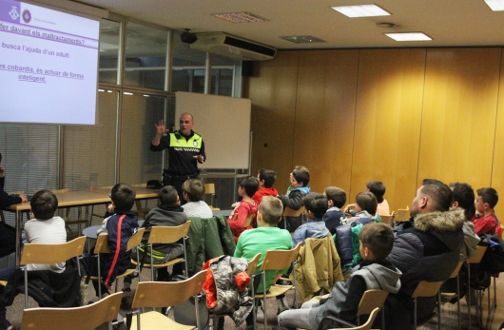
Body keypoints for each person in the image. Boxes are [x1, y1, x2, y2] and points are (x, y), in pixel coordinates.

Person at [277, 222, 401, 330]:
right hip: (344, 312)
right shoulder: (391, 273)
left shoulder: (361, 278)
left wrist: (325, 304)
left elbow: (346, 315)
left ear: (366, 251)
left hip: (330, 318)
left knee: (282, 318)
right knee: (305, 305)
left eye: (360, 244)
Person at [386, 181, 464, 329]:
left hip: (392, 311)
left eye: (416, 196)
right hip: (423, 306)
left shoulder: (414, 241)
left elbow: (379, 270)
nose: (413, 200)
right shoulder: (455, 235)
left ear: (423, 201)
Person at [0, 190, 66, 330]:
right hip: (58, 272)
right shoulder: (61, 221)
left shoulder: (29, 225)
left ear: (32, 210)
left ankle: (3, 323)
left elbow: (27, 247)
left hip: (31, 274)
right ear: (55, 208)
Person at [234, 196, 292, 330]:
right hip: (269, 283)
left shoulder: (246, 235)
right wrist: (276, 277)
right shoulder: (286, 235)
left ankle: (250, 323)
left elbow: (236, 262)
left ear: (258, 215)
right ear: (279, 218)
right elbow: (287, 262)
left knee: (248, 274)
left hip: (247, 286)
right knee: (258, 273)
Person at [82, 184, 139, 295]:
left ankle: (103, 295)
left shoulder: (114, 221)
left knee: (75, 264)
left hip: (111, 265)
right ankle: (104, 294)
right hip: (125, 261)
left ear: (113, 203)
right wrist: (110, 213)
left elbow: (117, 249)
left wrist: (108, 278)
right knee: (93, 257)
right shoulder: (132, 218)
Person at [137, 185, 187, 281]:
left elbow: (142, 230)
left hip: (147, 254)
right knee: (183, 244)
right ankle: (177, 274)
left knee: (159, 243)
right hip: (164, 255)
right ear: (178, 199)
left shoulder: (153, 213)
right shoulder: (182, 217)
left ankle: (162, 275)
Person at [150, 113, 206, 198]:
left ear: (192, 124)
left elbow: (202, 157)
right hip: (175, 181)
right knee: (176, 207)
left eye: (186, 122)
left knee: (191, 208)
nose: (183, 125)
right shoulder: (172, 136)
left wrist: (200, 158)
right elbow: (154, 148)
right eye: (181, 122)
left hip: (192, 181)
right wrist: (158, 135)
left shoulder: (198, 139)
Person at [278, 165, 311, 232]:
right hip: (293, 221)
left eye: (293, 180)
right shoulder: (302, 188)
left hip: (292, 223)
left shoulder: (300, 192)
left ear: (301, 183)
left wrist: (282, 198)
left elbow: (295, 204)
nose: (291, 181)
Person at [227, 176, 258, 241]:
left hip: (240, 236)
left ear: (243, 189)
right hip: (248, 232)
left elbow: (239, 224)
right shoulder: (254, 203)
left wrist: (226, 222)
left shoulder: (244, 205)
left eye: (239, 187)